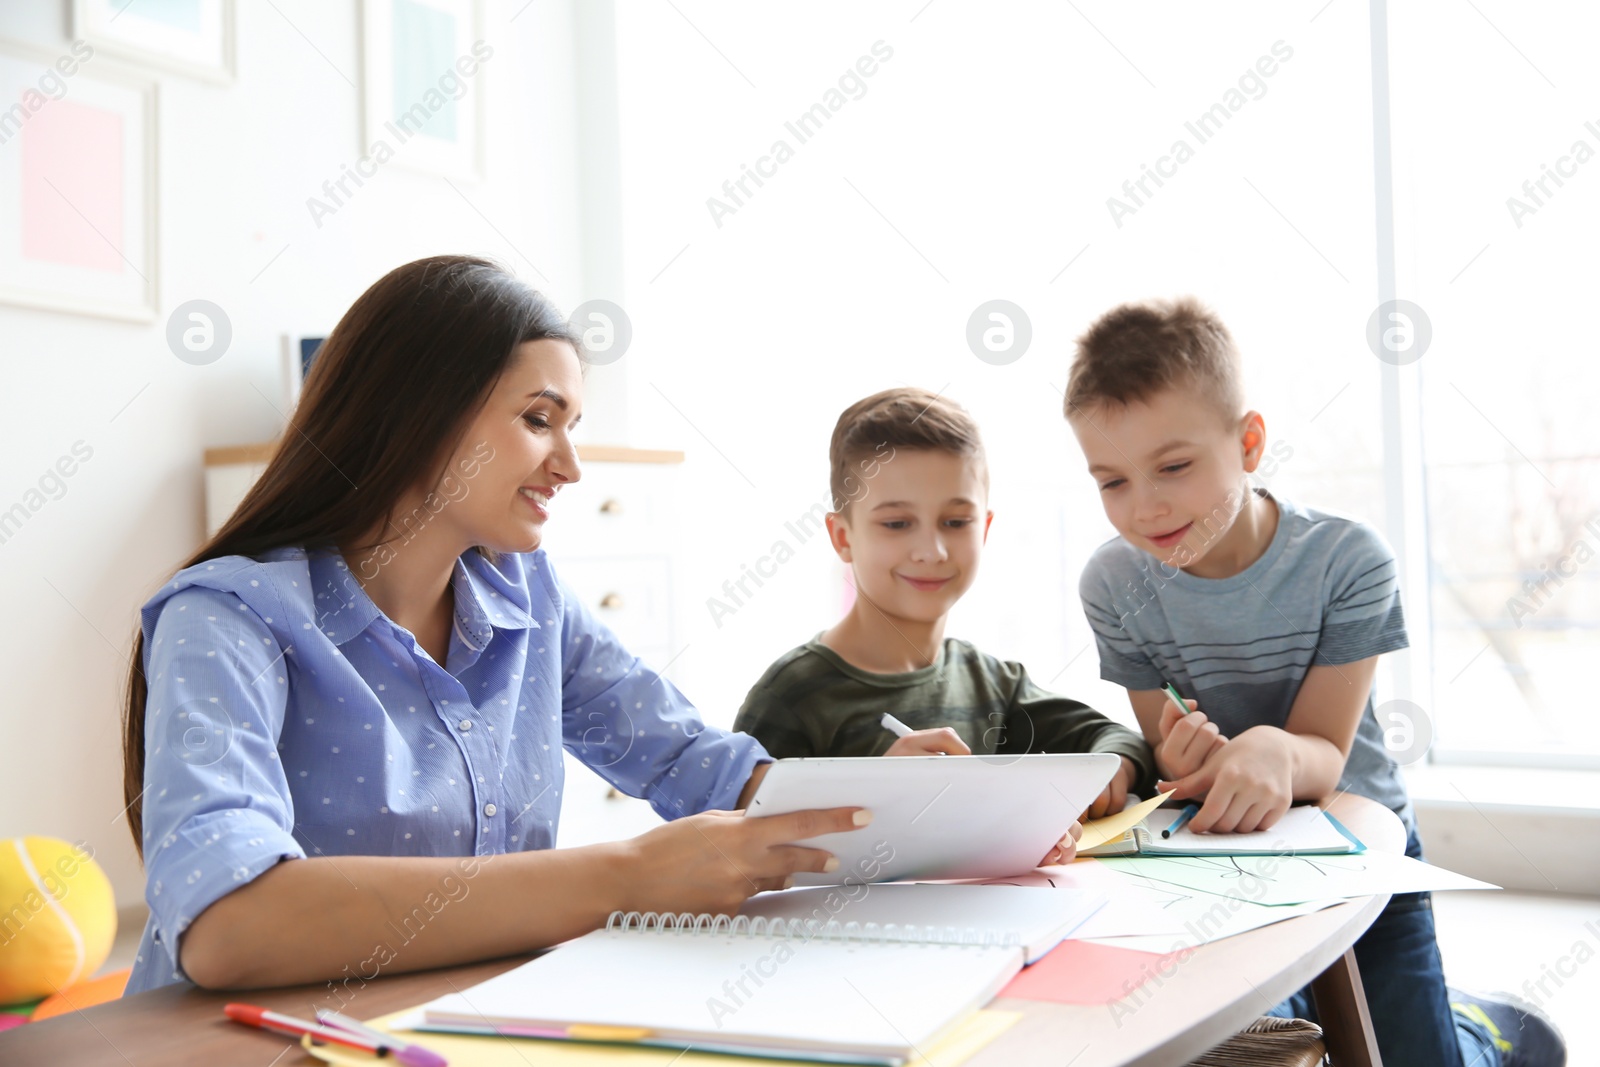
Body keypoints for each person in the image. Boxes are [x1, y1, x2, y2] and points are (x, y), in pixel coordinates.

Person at [120, 255, 866, 994]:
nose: (571, 465)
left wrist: (902, 797)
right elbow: (228, 926)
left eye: (571, 425)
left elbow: (698, 765)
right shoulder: (226, 618)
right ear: (416, 414)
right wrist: (628, 875)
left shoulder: (528, 597)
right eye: (539, 419)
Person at [1065, 296, 1565, 1067]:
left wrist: (1270, 749)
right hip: (1222, 854)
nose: (1145, 506)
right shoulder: (1110, 580)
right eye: (1111, 480)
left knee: (1420, 1054)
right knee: (1255, 1042)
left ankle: (1483, 1031)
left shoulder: (1348, 561)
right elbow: (1170, 759)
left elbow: (1327, 754)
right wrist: (1183, 756)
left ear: (1250, 442)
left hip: (1352, 839)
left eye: (1173, 466)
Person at [733, 387, 1156, 830]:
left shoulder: (995, 684)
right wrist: (872, 792)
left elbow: (1120, 743)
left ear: (985, 528)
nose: (932, 551)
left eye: (955, 522)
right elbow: (732, 845)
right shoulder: (790, 697)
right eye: (897, 524)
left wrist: (1108, 776)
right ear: (842, 537)